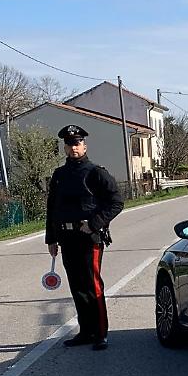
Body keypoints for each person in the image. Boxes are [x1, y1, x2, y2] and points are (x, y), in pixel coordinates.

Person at [45, 125, 124, 351]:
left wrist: (95, 224)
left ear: (84, 145)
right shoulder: (59, 175)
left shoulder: (96, 172)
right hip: (66, 237)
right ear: (65, 147)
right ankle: (85, 331)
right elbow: (52, 208)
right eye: (70, 144)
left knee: (92, 285)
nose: (73, 147)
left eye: (77, 143)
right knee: (77, 286)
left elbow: (116, 202)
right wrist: (51, 238)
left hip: (90, 238)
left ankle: (100, 333)